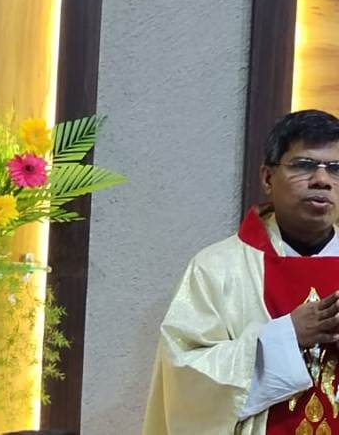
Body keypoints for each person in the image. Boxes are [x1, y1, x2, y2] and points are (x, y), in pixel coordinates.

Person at [144, 109, 339, 434]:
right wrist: (287, 336)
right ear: (267, 178)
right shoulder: (217, 269)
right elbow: (183, 379)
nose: (322, 180)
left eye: (335, 169)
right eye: (304, 165)